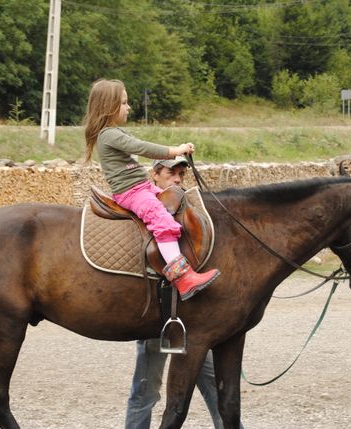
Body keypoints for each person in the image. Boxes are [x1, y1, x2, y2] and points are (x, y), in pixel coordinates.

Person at [124, 156, 242, 429]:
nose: (177, 179)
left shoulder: (191, 216)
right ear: (155, 175)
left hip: (194, 323)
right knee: (145, 392)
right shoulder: (143, 213)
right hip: (157, 322)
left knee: (215, 388)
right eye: (170, 173)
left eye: (181, 174)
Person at [83, 78, 220, 301]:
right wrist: (176, 150)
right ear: (109, 107)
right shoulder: (108, 135)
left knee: (178, 200)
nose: (129, 107)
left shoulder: (115, 132)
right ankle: (183, 278)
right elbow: (142, 147)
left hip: (143, 187)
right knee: (162, 220)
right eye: (124, 103)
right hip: (132, 193)